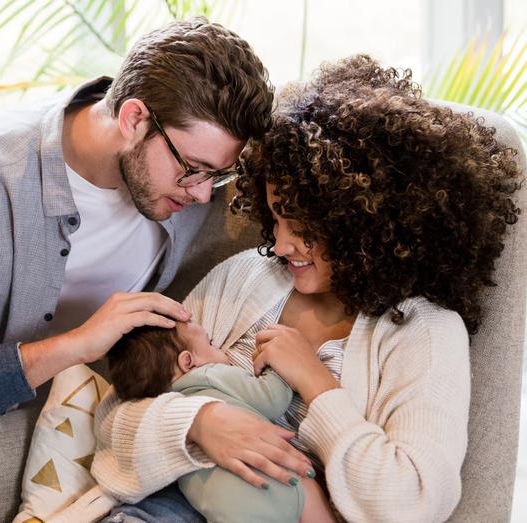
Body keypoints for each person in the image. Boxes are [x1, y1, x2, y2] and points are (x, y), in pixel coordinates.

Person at [91, 54, 522, 522]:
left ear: (366, 226)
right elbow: (114, 417)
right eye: (275, 218)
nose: (278, 244)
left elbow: (413, 503)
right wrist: (199, 423)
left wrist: (315, 385)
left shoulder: (425, 333)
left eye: (301, 228)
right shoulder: (246, 278)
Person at [0, 17, 276, 431]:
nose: (202, 195)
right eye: (193, 169)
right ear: (133, 119)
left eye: (218, 176)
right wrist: (76, 345)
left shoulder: (194, 170)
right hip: (6, 431)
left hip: (131, 422)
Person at [49, 321, 332, 522]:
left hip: (225, 511)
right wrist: (278, 364)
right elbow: (273, 399)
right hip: (278, 482)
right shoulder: (210, 375)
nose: (219, 349)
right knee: (308, 486)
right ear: (188, 362)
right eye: (210, 343)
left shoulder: (163, 414)